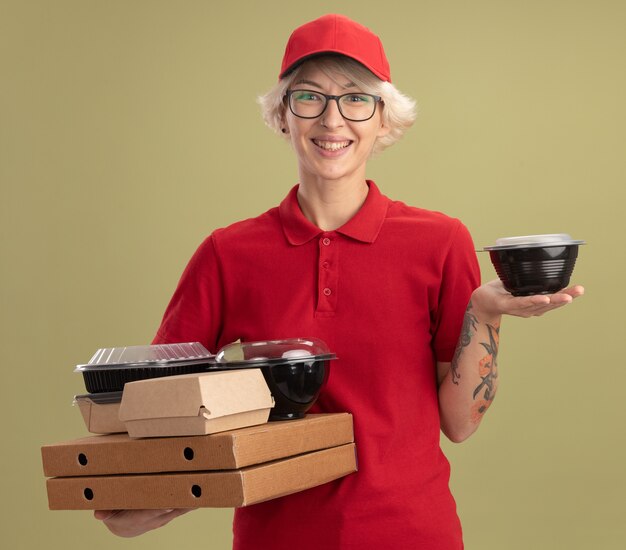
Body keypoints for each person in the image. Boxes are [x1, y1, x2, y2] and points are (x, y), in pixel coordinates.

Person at [93, 14, 584, 549]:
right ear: (284, 116)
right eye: (309, 97)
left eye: (356, 99)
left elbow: (459, 424)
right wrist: (143, 497)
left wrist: (485, 315)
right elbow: (161, 404)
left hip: (414, 535)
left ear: (384, 120)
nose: (332, 120)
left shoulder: (440, 242)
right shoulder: (228, 253)